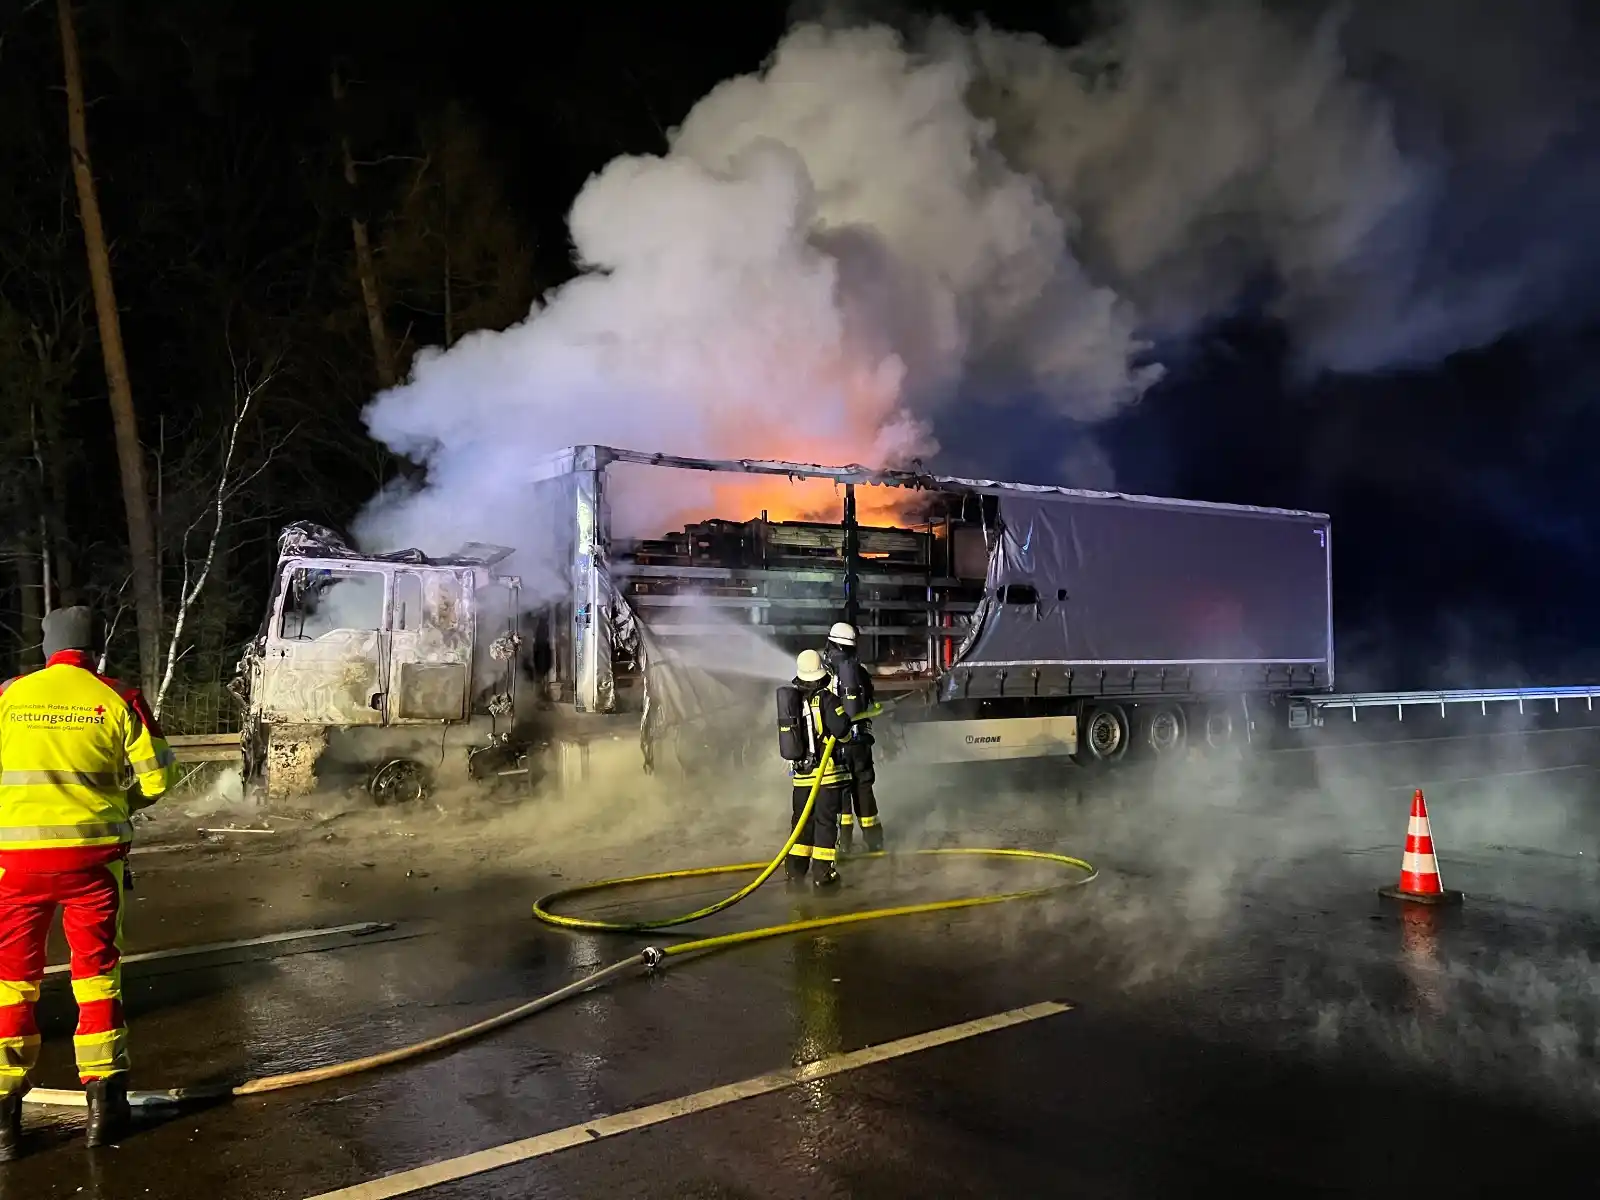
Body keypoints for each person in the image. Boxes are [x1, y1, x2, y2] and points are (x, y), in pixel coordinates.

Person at [0, 607, 178, 1157]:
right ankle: (105, 1108)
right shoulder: (117, 697)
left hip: (13, 866)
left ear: (46, 647)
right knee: (97, 978)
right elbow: (161, 776)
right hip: (91, 867)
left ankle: (4, 1123)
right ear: (95, 649)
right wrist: (124, 802)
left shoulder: (10, 696)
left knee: (11, 984)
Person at [784, 649, 852, 889]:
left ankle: (795, 871)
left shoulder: (791, 702)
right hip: (824, 775)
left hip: (800, 777)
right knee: (825, 823)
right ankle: (822, 873)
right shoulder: (827, 699)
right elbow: (843, 732)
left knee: (801, 823)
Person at [821, 622, 884, 854]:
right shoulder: (861, 671)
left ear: (831, 643)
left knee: (842, 792)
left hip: (838, 743)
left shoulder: (826, 674)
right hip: (862, 742)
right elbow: (870, 699)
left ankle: (844, 844)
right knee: (865, 790)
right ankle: (875, 842)